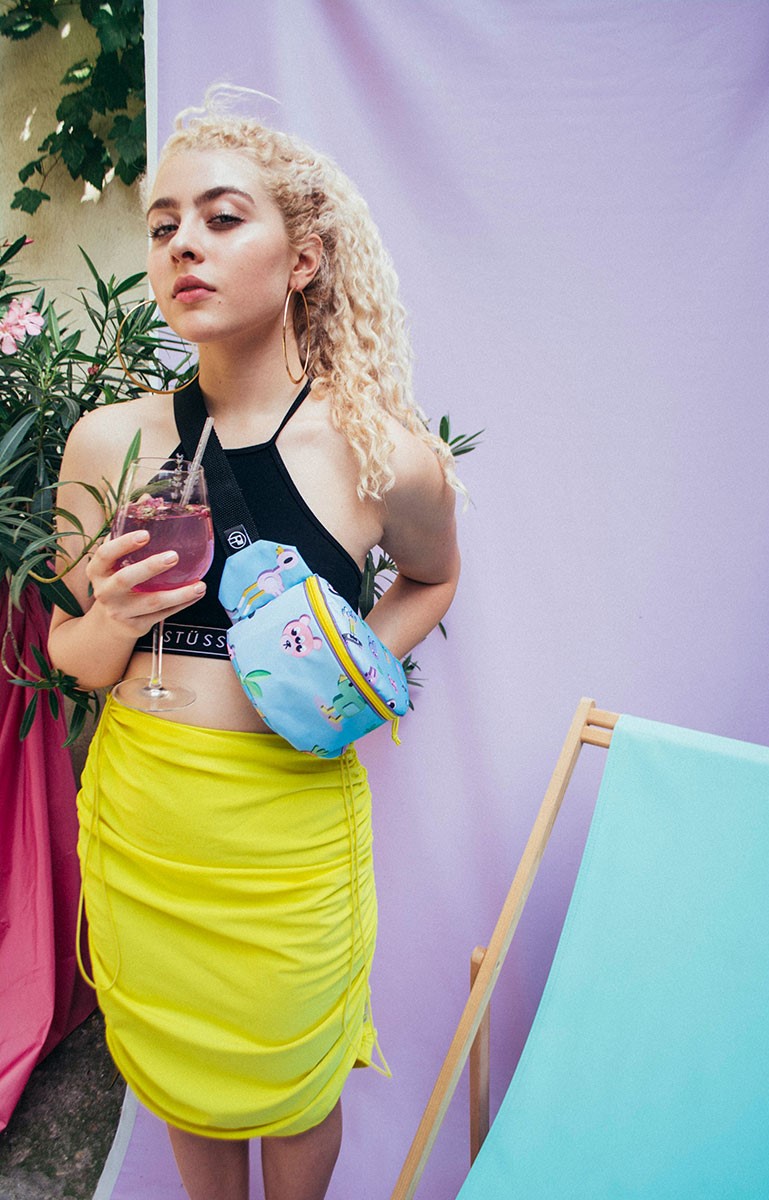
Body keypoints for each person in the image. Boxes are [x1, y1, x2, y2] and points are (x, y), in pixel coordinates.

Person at [48, 92, 461, 1200]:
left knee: (296, 1082)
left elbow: (434, 576)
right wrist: (111, 623)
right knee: (183, 1077)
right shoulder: (107, 440)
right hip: (147, 819)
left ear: (304, 259)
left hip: (288, 827)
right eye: (164, 225)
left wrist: (352, 665)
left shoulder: (381, 453)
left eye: (222, 218)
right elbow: (69, 654)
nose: (184, 243)